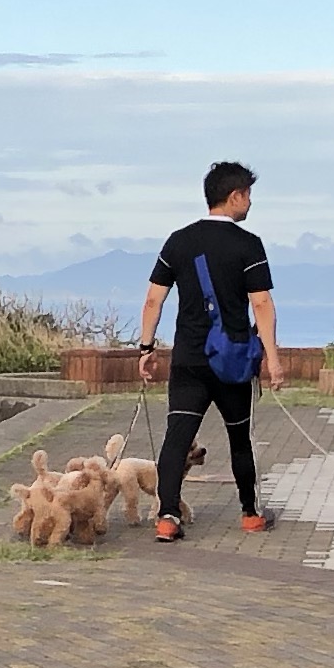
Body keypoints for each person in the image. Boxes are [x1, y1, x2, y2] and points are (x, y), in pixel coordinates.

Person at [136, 160, 286, 541]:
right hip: (232, 362)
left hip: (188, 359)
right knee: (239, 438)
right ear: (234, 196)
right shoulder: (248, 244)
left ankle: (167, 517)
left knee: (177, 436)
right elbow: (262, 305)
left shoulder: (178, 241)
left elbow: (153, 300)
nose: (250, 203)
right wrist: (273, 358)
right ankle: (250, 514)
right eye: (248, 195)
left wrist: (146, 347)